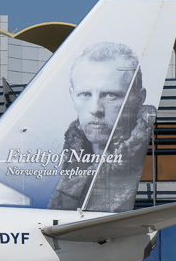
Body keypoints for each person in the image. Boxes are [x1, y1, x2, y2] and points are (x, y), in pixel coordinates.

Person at [48, 42, 156, 212]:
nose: (95, 109)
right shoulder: (61, 168)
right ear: (72, 96)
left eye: (110, 95)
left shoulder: (153, 162)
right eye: (85, 94)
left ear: (139, 98)